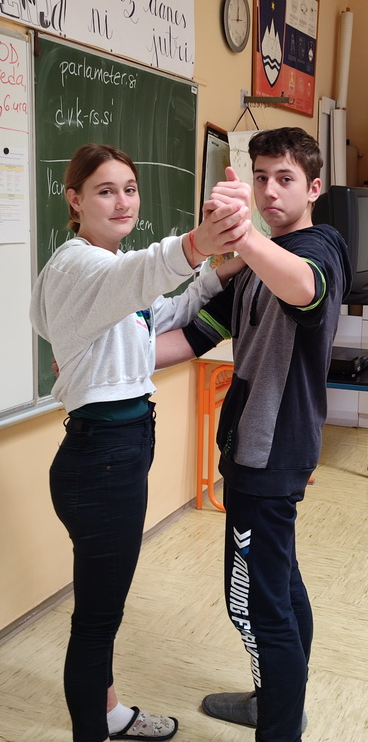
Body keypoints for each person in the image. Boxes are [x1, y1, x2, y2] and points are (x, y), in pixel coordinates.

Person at [29, 143, 249, 742]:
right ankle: (94, 731)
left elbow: (163, 310)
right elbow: (145, 273)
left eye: (129, 188)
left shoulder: (108, 268)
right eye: (105, 191)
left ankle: (109, 714)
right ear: (75, 200)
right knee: (97, 621)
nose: (123, 201)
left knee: (102, 612)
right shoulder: (80, 267)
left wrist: (221, 270)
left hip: (114, 454)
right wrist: (199, 242)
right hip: (102, 460)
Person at [156, 127, 352, 742]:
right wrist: (104, 361)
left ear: (313, 188)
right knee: (279, 586)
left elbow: (305, 288)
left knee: (254, 604)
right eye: (261, 177)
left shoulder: (319, 247)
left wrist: (242, 236)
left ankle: (279, 724)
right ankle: (277, 703)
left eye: (285, 179)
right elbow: (195, 335)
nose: (269, 191)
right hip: (251, 449)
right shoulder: (255, 264)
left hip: (271, 452)